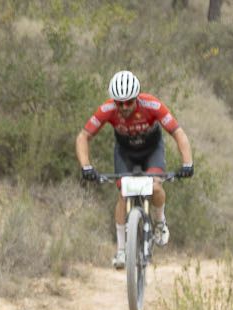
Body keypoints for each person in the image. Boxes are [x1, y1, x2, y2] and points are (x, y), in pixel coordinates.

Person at [76, 69, 194, 269]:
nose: (123, 107)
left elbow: (178, 133)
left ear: (137, 98)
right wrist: (86, 166)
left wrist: (187, 163)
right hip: (125, 153)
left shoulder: (152, 105)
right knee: (123, 193)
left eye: (128, 102)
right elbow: (83, 137)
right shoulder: (107, 109)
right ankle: (122, 250)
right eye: (119, 103)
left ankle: (159, 222)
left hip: (151, 150)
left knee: (156, 187)